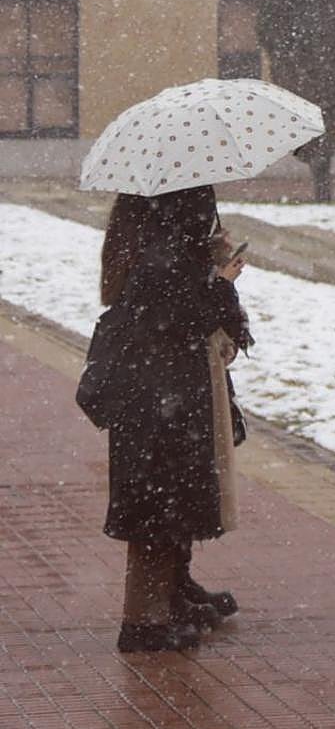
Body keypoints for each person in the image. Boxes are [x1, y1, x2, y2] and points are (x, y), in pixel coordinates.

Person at [98, 185, 253, 652]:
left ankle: (170, 595)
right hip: (160, 398)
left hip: (162, 394)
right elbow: (181, 316)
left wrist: (210, 264)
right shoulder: (159, 254)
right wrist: (220, 281)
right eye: (201, 203)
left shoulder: (152, 239)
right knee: (157, 505)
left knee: (170, 498)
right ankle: (144, 623)